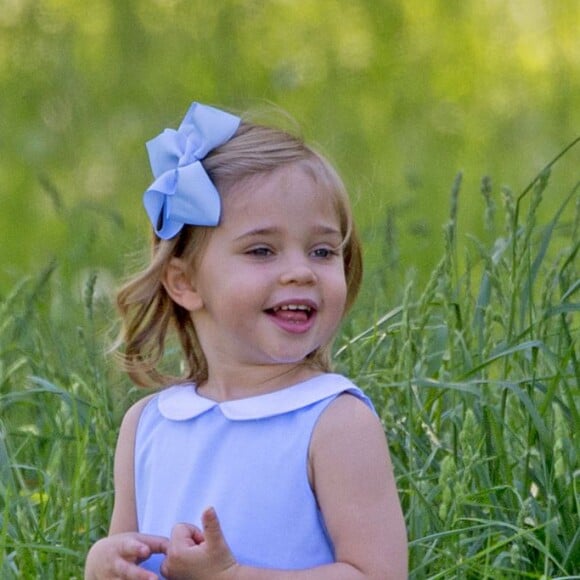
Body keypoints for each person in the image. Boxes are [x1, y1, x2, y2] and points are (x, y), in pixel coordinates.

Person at [84, 102, 407, 579]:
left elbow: (378, 575)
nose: (300, 271)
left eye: (322, 251)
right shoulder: (148, 426)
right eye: (262, 250)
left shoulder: (334, 422)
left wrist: (231, 576)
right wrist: (103, 566)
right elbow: (133, 552)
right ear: (185, 283)